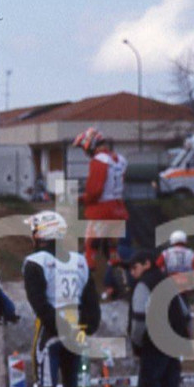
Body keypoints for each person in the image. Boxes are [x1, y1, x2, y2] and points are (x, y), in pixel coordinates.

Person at [21, 209, 100, 387]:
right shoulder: (79, 261)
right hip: (77, 332)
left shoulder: (36, 262)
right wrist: (82, 329)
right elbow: (92, 306)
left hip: (51, 334)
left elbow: (40, 305)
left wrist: (63, 328)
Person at [120, 248, 190, 387]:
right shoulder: (168, 282)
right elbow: (185, 313)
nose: (132, 272)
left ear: (146, 264)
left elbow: (139, 320)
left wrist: (137, 344)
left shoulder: (143, 284)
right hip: (174, 342)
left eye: (134, 267)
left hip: (154, 344)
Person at [73, 127, 129, 299]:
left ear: (90, 144)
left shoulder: (99, 161)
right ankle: (121, 284)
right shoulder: (120, 159)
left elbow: (95, 190)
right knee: (112, 250)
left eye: (84, 148)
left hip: (101, 211)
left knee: (90, 248)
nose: (84, 152)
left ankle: (86, 289)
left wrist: (82, 199)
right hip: (118, 209)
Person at [156, 228, 194, 334]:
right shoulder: (191, 254)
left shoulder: (166, 253)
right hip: (184, 287)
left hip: (169, 286)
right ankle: (187, 331)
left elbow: (157, 267)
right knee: (185, 311)